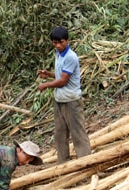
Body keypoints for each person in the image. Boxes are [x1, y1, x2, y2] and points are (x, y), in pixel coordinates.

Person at [37, 25, 91, 164]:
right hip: (59, 100)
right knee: (60, 134)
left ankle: (86, 163)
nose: (58, 45)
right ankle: (63, 164)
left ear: (67, 40)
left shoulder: (71, 57)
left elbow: (62, 81)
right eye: (55, 43)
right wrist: (48, 74)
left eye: (61, 42)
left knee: (78, 134)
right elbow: (61, 74)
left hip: (71, 101)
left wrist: (45, 85)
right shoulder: (58, 54)